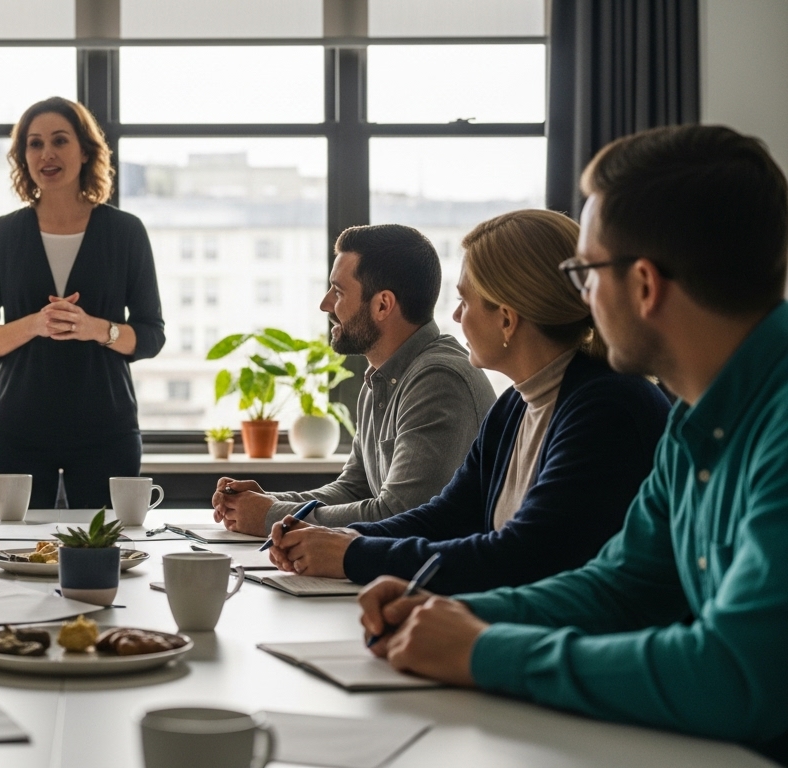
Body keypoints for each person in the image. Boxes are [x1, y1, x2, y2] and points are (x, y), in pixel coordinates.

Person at [359, 125, 788, 762]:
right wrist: (445, 608)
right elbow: (621, 584)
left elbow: (736, 675)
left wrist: (482, 649)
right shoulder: (691, 420)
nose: (577, 296)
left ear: (644, 285)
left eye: (585, 272)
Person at [267, 210, 669, 594]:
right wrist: (335, 538)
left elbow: (520, 555)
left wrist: (353, 552)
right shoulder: (516, 404)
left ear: (506, 319)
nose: (457, 316)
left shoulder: (604, 410)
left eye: (466, 301)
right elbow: (447, 515)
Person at [214, 224, 496, 535]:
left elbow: (399, 514)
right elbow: (354, 489)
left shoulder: (439, 381)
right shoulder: (382, 378)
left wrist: (271, 516)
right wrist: (265, 502)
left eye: (338, 291)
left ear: (382, 305)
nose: (325, 304)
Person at [0, 96, 165, 509]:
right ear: (23, 157)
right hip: (16, 429)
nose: (47, 154)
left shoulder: (126, 232)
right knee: (14, 556)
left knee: (106, 555)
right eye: (34, 144)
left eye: (60, 141)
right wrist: (36, 324)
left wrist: (97, 329)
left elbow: (150, 336)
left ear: (86, 150)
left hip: (106, 429)